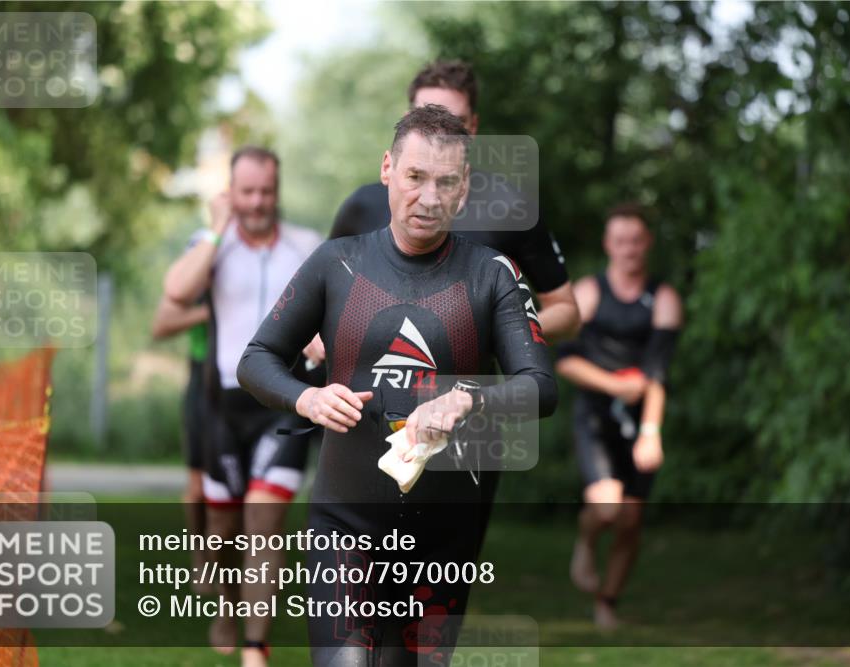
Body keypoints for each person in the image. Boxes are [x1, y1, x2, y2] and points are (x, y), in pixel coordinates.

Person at [237, 105, 557, 666]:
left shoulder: (493, 274)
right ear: (388, 169)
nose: (429, 197)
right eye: (415, 176)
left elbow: (540, 387)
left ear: (465, 190)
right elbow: (258, 359)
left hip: (444, 539)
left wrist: (467, 396)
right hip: (345, 527)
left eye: (446, 182)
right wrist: (306, 396)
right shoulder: (336, 264)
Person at [163, 146, 323, 667]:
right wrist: (215, 229)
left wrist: (322, 339)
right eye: (247, 192)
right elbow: (176, 293)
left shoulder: (305, 246)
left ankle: (256, 645)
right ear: (231, 194)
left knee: (264, 519)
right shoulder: (215, 243)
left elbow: (335, 311)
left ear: (277, 191)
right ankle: (228, 609)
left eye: (266, 192)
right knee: (223, 530)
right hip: (222, 406)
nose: (257, 203)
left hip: (284, 400)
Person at [329, 60, 580, 342]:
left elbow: (566, 310)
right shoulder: (363, 205)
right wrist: (316, 336)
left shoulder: (511, 208)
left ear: (472, 127)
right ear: (406, 122)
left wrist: (499, 334)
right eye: (425, 119)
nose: (438, 135)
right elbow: (318, 297)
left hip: (466, 385)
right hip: (362, 385)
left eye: (455, 123)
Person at [555, 204, 683, 629]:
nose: (629, 248)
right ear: (609, 244)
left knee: (631, 519)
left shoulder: (663, 299)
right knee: (607, 510)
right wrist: (614, 386)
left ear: (647, 243)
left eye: (636, 239)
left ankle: (607, 602)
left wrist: (651, 431)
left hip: (640, 417)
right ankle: (586, 540)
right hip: (595, 415)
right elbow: (566, 362)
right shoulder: (589, 293)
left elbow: (657, 373)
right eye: (620, 240)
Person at [150, 290, 212, 594]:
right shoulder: (200, 275)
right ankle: (201, 561)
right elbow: (161, 326)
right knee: (198, 488)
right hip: (203, 379)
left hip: (250, 380)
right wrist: (210, 311)